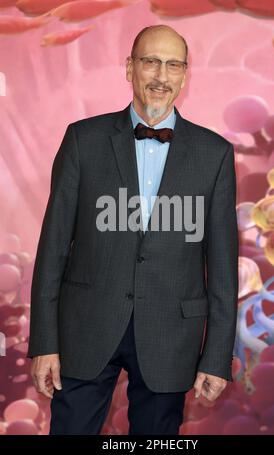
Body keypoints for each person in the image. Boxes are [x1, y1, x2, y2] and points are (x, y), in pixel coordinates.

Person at [27, 24, 239, 435]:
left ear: (184, 74)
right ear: (129, 68)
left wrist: (216, 356)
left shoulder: (214, 154)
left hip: (171, 334)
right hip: (85, 327)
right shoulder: (82, 140)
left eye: (173, 65)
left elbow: (223, 266)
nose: (162, 76)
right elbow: (52, 249)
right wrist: (45, 342)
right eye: (151, 62)